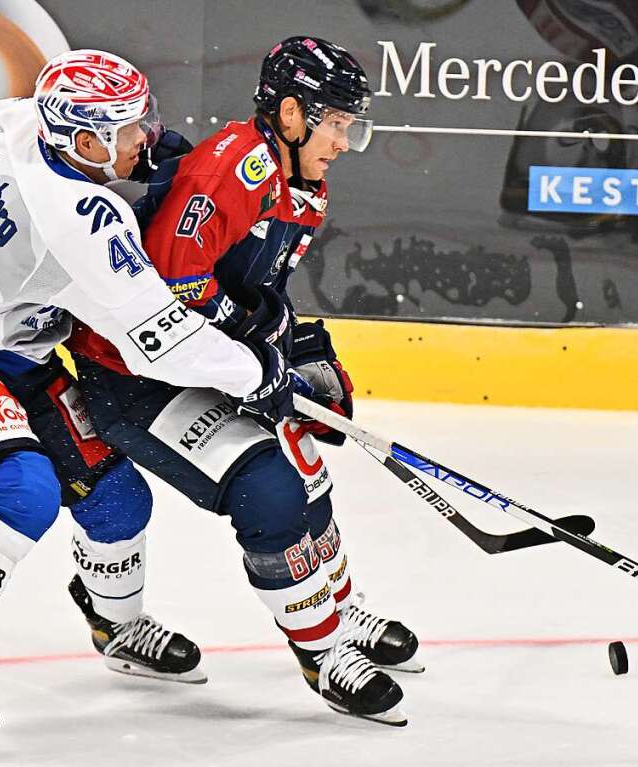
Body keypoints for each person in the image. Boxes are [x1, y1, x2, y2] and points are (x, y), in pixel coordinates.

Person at [0, 49, 292, 757]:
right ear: (86, 143)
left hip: (19, 349)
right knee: (24, 489)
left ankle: (117, 627)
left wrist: (145, 151)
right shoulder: (79, 227)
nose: (147, 135)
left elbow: (67, 135)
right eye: (131, 129)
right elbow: (160, 344)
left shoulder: (13, 120)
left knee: (117, 499)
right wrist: (254, 369)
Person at [66, 37, 419, 727]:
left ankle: (337, 604)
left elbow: (249, 292)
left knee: (306, 464)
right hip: (131, 371)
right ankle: (323, 649)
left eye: (352, 125)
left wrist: (292, 349)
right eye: (337, 123)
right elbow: (173, 293)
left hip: (197, 358)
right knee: (270, 488)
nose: (346, 141)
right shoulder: (233, 170)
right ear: (291, 113)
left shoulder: (300, 183)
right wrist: (258, 355)